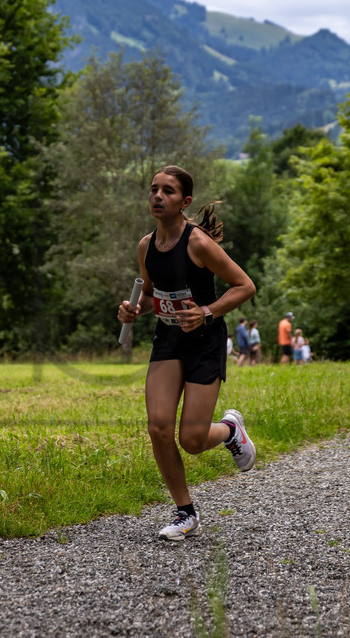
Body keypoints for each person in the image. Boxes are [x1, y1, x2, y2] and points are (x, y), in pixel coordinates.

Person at [118, 165, 257, 541]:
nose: (158, 196)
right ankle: (185, 513)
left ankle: (230, 430)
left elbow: (245, 286)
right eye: (153, 190)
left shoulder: (198, 244)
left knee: (192, 441)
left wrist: (207, 311)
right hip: (169, 339)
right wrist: (134, 309)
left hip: (205, 340)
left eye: (168, 191)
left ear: (185, 202)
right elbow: (149, 295)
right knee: (158, 426)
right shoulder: (146, 246)